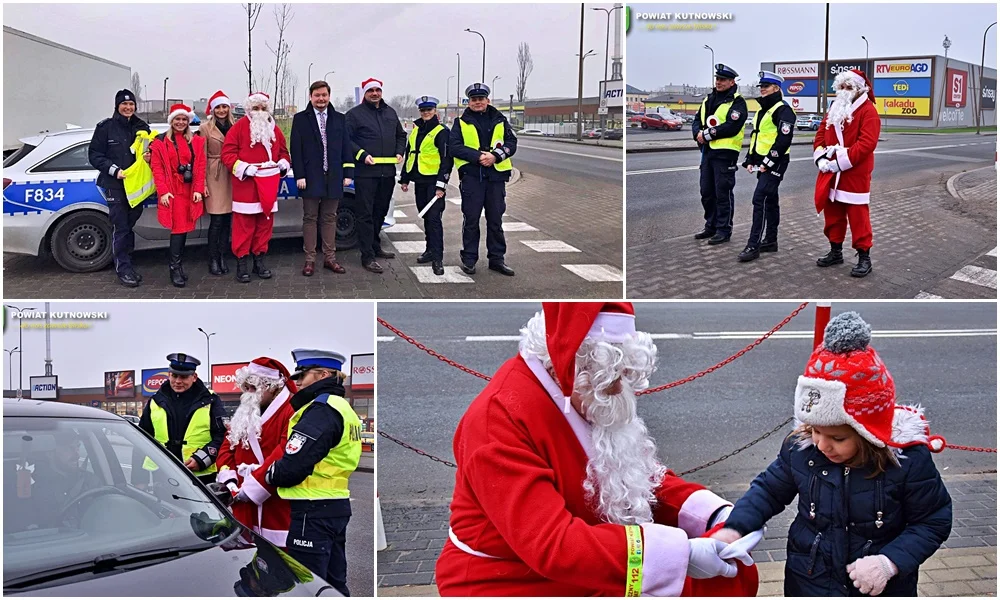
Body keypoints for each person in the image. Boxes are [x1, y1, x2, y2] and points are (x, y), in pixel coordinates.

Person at [435, 302, 761, 596]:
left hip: (576, 560)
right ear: (566, 366)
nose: (621, 388)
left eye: (624, 374)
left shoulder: (581, 395)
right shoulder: (498, 419)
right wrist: (681, 555)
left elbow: (633, 477)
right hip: (508, 581)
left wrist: (714, 515)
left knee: (727, 579)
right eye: (611, 377)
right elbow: (553, 545)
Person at [712, 311, 952, 596]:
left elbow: (933, 520)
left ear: (868, 432)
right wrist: (735, 526)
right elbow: (768, 491)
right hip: (810, 582)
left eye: (838, 437)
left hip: (878, 587)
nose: (823, 444)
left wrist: (889, 563)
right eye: (815, 430)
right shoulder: (800, 450)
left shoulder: (906, 463)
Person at [264, 349, 362, 597]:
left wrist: (270, 473)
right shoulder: (343, 407)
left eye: (303, 375)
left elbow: (292, 467)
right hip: (335, 505)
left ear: (323, 375)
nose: (297, 382)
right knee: (334, 583)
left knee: (307, 585)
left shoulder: (320, 410)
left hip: (312, 510)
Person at [216, 357, 298, 548]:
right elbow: (226, 448)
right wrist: (230, 480)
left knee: (277, 559)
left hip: (274, 500)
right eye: (246, 388)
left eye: (253, 388)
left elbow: (283, 453)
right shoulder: (247, 410)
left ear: (273, 387)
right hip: (241, 498)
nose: (248, 394)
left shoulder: (291, 411)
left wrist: (253, 487)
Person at [812, 69, 881, 278]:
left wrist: (840, 163)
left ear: (861, 89)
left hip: (854, 172)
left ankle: (864, 256)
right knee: (832, 212)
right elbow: (821, 133)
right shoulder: (835, 107)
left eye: (849, 87)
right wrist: (821, 158)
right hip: (831, 170)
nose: (844, 91)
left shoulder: (868, 111)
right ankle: (835, 251)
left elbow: (867, 143)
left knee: (858, 216)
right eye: (841, 87)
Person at [221, 91, 291, 283]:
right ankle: (242, 263)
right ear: (248, 110)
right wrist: (244, 168)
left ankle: (259, 261)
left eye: (263, 108)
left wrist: (284, 163)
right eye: (255, 108)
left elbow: (284, 152)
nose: (260, 112)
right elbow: (227, 155)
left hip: (269, 184)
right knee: (244, 226)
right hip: (247, 186)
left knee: (264, 225)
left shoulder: (274, 130)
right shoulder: (238, 129)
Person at [449, 83, 517, 276]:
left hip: (495, 177)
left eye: (481, 99)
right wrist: (479, 156)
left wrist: (495, 156)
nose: (478, 102)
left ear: (488, 100)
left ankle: (497, 259)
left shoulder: (500, 119)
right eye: (474, 99)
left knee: (495, 220)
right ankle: (469, 259)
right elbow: (454, 146)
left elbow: (512, 143)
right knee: (471, 220)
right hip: (472, 178)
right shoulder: (460, 122)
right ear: (469, 102)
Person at [291, 81, 357, 276]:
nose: (321, 99)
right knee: (310, 218)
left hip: (334, 176)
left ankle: (330, 258)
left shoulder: (339, 119)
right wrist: (300, 175)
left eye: (324, 95)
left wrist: (348, 174)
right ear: (311, 97)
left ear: (329, 96)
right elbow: (296, 149)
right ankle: (310, 260)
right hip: (310, 177)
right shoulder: (300, 119)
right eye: (317, 95)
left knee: (329, 218)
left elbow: (346, 147)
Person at [88, 89, 152, 288]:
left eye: (131, 104)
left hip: (137, 186)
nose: (128, 107)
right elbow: (94, 155)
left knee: (129, 224)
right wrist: (114, 170)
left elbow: (150, 150)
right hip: (115, 184)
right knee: (121, 227)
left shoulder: (142, 127)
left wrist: (151, 155)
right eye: (124, 104)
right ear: (117, 106)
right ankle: (123, 269)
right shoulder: (105, 127)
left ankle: (128, 260)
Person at [135, 353, 227, 485]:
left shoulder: (211, 400)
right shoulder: (155, 401)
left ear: (194, 377)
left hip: (200, 478)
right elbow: (141, 441)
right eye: (174, 375)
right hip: (162, 476)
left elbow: (222, 437)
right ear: (169, 374)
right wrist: (138, 480)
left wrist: (202, 459)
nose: (178, 381)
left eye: (184, 377)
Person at [346, 78, 407, 274]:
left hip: (387, 173)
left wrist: (399, 151)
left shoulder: (390, 112)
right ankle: (367, 256)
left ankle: (375, 245)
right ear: (364, 93)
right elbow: (346, 140)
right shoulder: (354, 115)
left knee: (380, 211)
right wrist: (361, 155)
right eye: (370, 90)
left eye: (377, 90)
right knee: (365, 214)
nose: (375, 93)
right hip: (365, 173)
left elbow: (401, 135)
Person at [737, 71, 796, 263]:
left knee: (759, 199)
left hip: (776, 161)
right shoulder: (764, 109)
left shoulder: (783, 109)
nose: (762, 89)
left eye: (766, 86)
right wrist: (750, 160)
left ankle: (753, 245)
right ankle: (771, 240)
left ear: (776, 88)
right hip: (762, 162)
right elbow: (757, 137)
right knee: (770, 199)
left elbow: (783, 140)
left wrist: (767, 163)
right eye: (761, 86)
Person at [150, 103, 207, 287]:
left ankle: (178, 266)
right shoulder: (160, 142)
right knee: (177, 230)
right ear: (171, 121)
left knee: (184, 231)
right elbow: (157, 169)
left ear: (188, 121)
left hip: (189, 191)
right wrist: (163, 191)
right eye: (177, 119)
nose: (180, 122)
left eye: (184, 119)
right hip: (173, 192)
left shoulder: (196, 141)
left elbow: (200, 166)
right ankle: (174, 268)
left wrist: (198, 189)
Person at [692, 64, 748, 245]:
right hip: (707, 153)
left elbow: (732, 126)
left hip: (725, 154)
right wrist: (697, 135)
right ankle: (711, 225)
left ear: (732, 82)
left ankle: (724, 229)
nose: (719, 82)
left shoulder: (737, 102)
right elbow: (696, 121)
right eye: (717, 79)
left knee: (722, 193)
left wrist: (706, 135)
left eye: (722, 80)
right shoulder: (708, 100)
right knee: (706, 192)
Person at [399, 95, 453, 276]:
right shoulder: (416, 130)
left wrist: (441, 185)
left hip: (434, 183)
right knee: (425, 217)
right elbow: (410, 155)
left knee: (434, 219)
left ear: (435, 111)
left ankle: (438, 259)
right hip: (420, 182)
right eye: (423, 110)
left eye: (429, 110)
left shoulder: (442, 131)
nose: (426, 113)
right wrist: (405, 179)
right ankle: (430, 250)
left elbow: (447, 160)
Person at [28, 430, 101, 529]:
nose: (77, 455)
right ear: (50, 453)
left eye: (77, 447)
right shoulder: (32, 487)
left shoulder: (90, 481)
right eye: (69, 449)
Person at [200, 90, 236, 276]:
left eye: (224, 107)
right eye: (218, 107)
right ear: (213, 110)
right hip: (214, 175)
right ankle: (212, 259)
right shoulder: (205, 128)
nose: (221, 110)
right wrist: (203, 183)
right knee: (216, 220)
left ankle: (223, 256)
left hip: (232, 175)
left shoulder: (235, 125)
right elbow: (200, 157)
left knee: (228, 220)